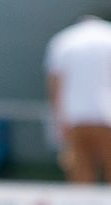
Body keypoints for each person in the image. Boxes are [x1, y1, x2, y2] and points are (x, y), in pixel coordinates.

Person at [44, 16, 111, 183]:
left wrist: (58, 120)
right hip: (107, 115)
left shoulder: (63, 41)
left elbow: (54, 82)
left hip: (75, 117)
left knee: (80, 177)